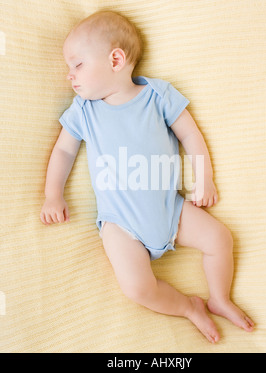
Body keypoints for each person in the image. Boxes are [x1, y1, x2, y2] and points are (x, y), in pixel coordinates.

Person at [40, 10, 254, 343]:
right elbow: (64, 151)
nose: (70, 75)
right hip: (120, 224)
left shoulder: (158, 96)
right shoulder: (84, 110)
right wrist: (53, 194)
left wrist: (205, 179)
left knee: (220, 239)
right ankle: (187, 307)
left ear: (115, 59)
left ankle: (220, 298)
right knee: (137, 287)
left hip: (172, 210)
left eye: (77, 64)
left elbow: (191, 136)